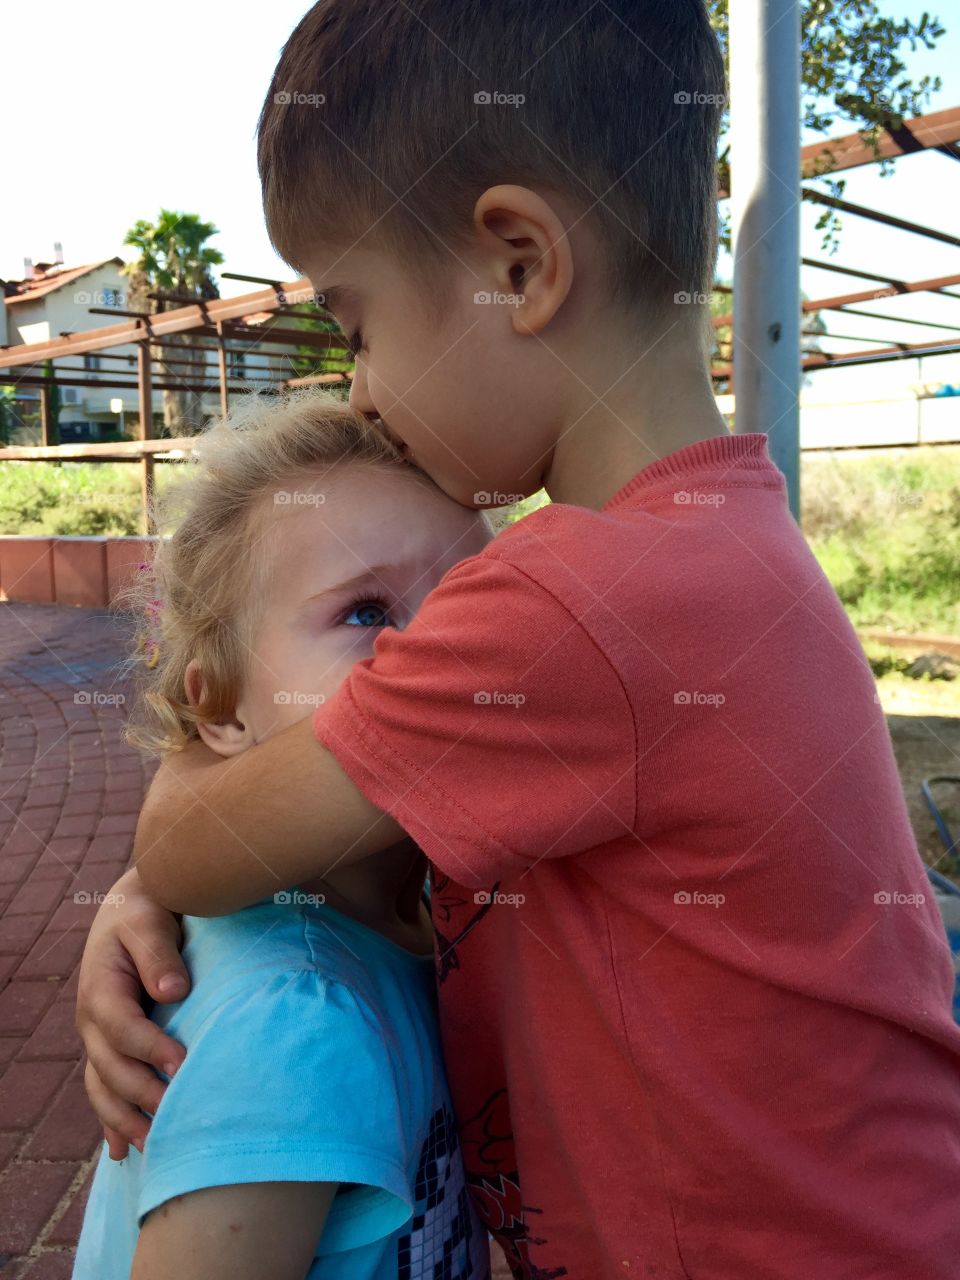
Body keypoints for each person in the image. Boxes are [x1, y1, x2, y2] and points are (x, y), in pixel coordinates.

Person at [76, 2, 960, 1276]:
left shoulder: (572, 598)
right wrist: (143, 891)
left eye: (358, 319)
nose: (363, 385)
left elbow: (197, 842)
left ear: (521, 264)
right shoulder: (724, 540)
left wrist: (158, 872)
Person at [72, 393, 490, 1280]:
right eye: (367, 612)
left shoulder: (423, 899)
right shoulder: (297, 1020)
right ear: (220, 710)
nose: (439, 654)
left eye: (472, 605)